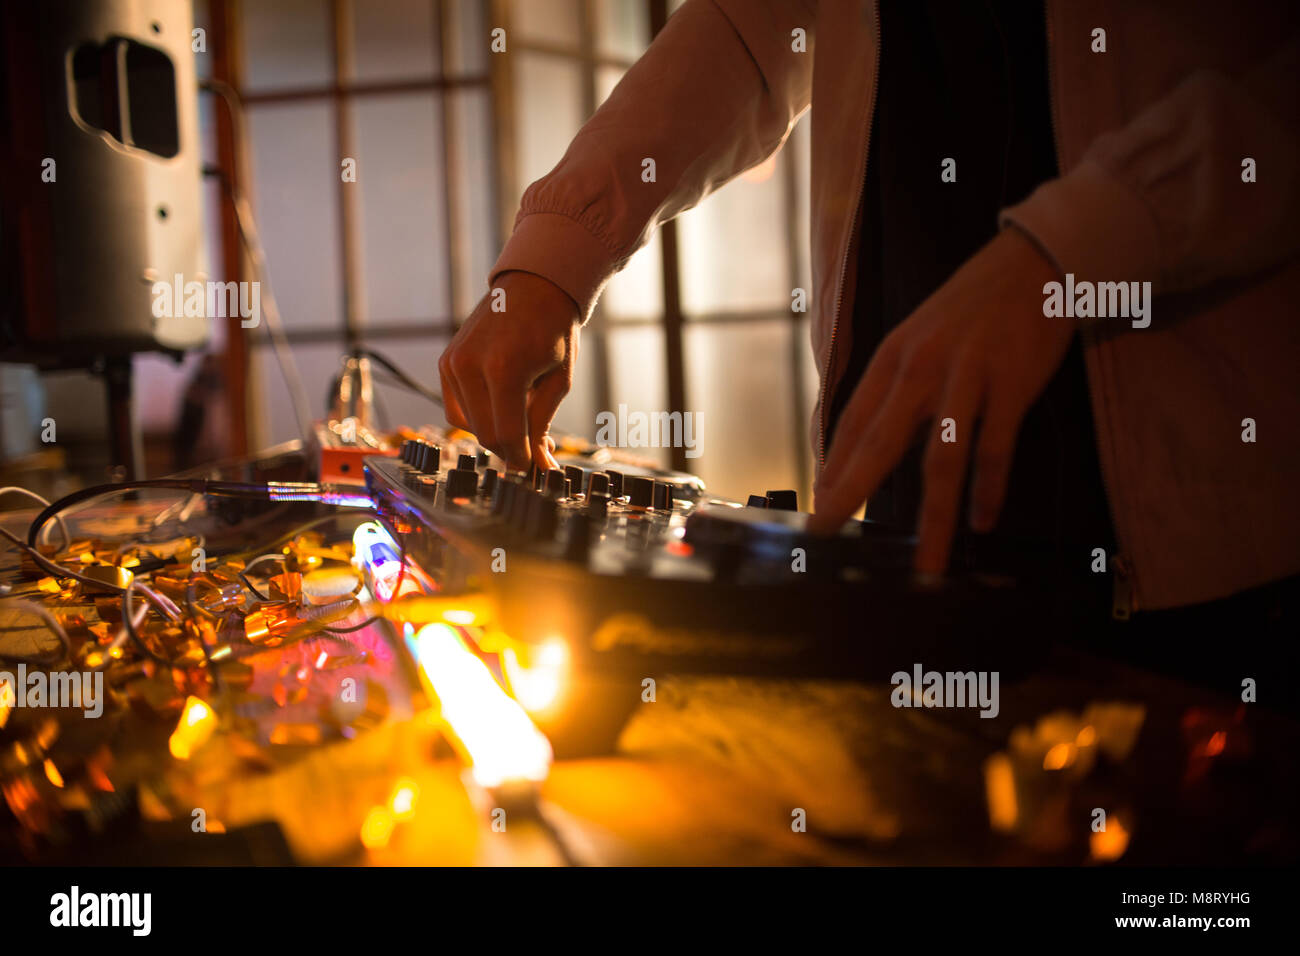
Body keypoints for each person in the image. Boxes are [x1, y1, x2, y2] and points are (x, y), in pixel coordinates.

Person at [438, 0, 1299, 617]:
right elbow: (752, 28)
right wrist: (557, 253)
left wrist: (1076, 247)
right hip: (910, 474)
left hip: (1216, 518)